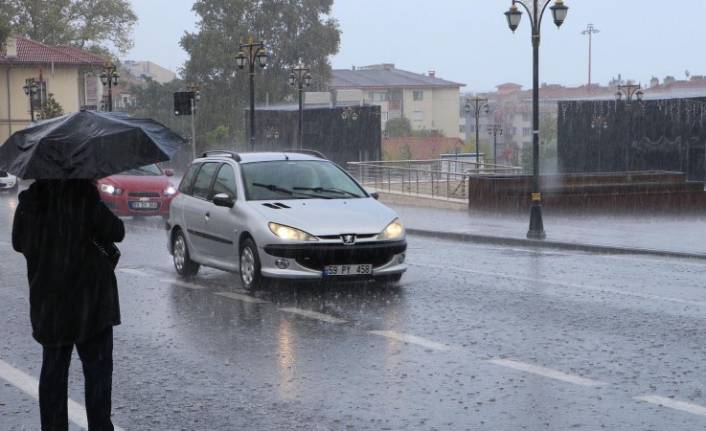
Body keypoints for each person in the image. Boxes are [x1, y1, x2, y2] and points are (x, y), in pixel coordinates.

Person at [12, 179, 125, 431]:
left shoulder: (31, 202)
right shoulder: (84, 196)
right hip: (91, 303)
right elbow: (117, 231)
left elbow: (18, 242)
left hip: (50, 304)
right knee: (97, 373)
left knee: (53, 372)